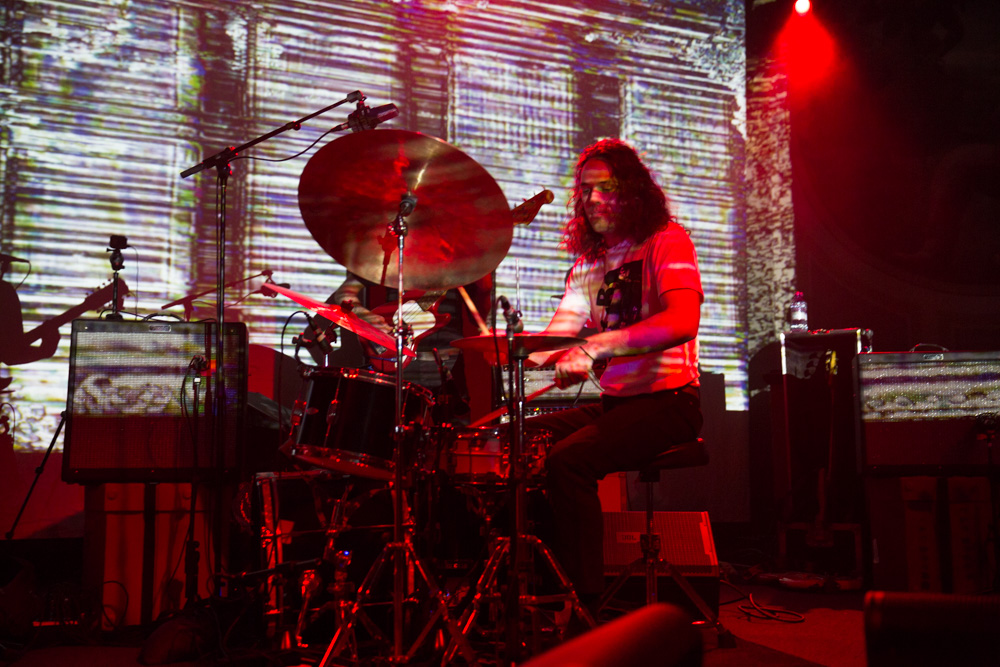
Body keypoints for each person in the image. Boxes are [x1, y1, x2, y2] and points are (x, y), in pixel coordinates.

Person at [527, 138, 704, 609]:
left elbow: (682, 320)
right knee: (521, 440)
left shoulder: (667, 241)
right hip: (616, 404)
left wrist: (595, 344)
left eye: (606, 188)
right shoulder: (587, 266)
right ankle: (537, 589)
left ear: (632, 191)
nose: (593, 200)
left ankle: (585, 605)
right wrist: (509, 349)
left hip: (671, 403)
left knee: (568, 461)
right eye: (586, 191)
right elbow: (555, 339)